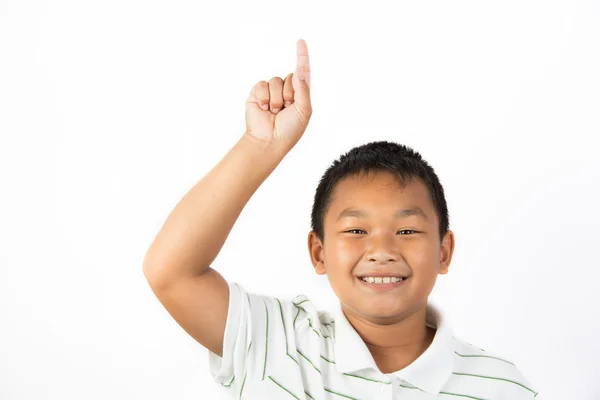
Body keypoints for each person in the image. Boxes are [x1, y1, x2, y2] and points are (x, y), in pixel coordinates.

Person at [143, 39, 539, 399]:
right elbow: (171, 272)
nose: (381, 250)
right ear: (318, 252)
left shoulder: (503, 386)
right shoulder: (277, 342)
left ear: (444, 251)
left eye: (406, 230)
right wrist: (260, 145)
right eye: (356, 230)